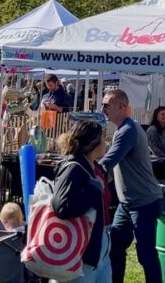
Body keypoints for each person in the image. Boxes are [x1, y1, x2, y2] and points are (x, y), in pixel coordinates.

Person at [99, 89, 163, 283]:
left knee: (146, 254)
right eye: (102, 104)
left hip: (144, 203)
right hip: (128, 204)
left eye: (107, 105)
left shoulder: (128, 131)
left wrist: (84, 169)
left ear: (122, 107)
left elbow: (106, 163)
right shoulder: (124, 128)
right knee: (115, 245)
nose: (103, 109)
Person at [51, 120, 112, 282]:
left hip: (99, 248)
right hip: (80, 253)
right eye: (103, 138)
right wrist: (93, 191)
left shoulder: (94, 166)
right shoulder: (74, 167)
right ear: (93, 143)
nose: (105, 143)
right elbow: (62, 206)